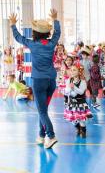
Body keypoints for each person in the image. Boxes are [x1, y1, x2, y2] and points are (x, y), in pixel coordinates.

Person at [9, 9, 61, 149]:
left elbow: (18, 37)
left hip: (39, 81)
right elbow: (57, 33)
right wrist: (55, 19)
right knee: (43, 110)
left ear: (35, 33)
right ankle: (41, 135)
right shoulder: (51, 43)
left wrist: (13, 25)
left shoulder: (32, 44)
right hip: (51, 81)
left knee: (42, 111)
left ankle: (51, 136)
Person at [64, 65, 92, 138]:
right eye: (71, 70)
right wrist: (70, 90)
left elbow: (81, 92)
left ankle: (83, 130)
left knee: (81, 119)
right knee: (73, 119)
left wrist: (74, 87)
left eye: (74, 70)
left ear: (79, 72)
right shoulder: (68, 80)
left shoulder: (82, 81)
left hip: (80, 103)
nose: (72, 71)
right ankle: (78, 128)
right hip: (72, 103)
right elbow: (66, 91)